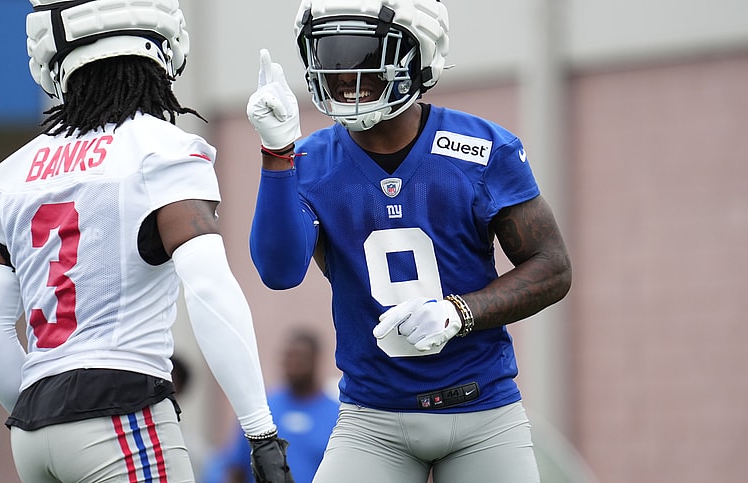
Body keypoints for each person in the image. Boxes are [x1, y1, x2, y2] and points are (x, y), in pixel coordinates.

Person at [0, 1, 293, 482]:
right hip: (120, 412)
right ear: (160, 51)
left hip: (33, 430)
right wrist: (261, 432)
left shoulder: (10, 175)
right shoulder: (163, 148)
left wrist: (46, 404)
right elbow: (210, 290)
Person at [245, 0, 572, 482]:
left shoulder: (483, 149)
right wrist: (276, 154)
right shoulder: (310, 159)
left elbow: (552, 268)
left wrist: (460, 312)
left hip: (483, 412)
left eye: (360, 54)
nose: (341, 73)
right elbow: (279, 272)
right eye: (329, 54)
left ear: (419, 57)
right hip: (371, 420)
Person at [217, 329, 339, 483]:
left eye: (299, 358)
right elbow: (237, 468)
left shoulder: (337, 415)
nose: (292, 364)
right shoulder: (262, 409)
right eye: (289, 357)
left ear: (315, 359)